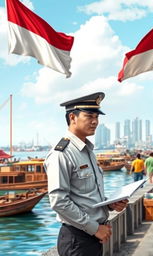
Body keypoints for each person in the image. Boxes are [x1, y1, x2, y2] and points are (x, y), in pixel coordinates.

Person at [44, 92, 128, 256]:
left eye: (97, 116)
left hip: (92, 236)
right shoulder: (61, 153)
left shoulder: (87, 151)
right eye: (89, 116)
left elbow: (86, 194)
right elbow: (59, 201)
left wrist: (109, 204)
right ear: (72, 117)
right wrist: (94, 228)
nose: (95, 121)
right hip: (78, 238)